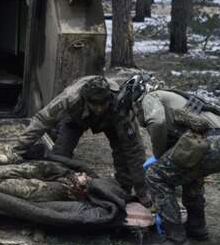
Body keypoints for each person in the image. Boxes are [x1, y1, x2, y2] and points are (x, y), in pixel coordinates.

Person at [118, 75, 220, 245]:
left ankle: (176, 241)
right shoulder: (174, 97)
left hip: (209, 142)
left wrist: (159, 155)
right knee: (189, 171)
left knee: (155, 175)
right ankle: (197, 227)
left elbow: (157, 122)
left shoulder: (151, 97)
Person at [12, 76, 150, 206]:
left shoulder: (121, 105)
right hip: (76, 118)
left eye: (103, 104)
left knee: (123, 153)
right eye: (95, 105)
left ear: (109, 99)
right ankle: (56, 187)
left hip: (111, 119)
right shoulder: (70, 98)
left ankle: (122, 190)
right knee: (61, 153)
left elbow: (134, 149)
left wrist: (142, 189)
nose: (99, 109)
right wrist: (18, 150)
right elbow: (42, 120)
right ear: (86, 100)